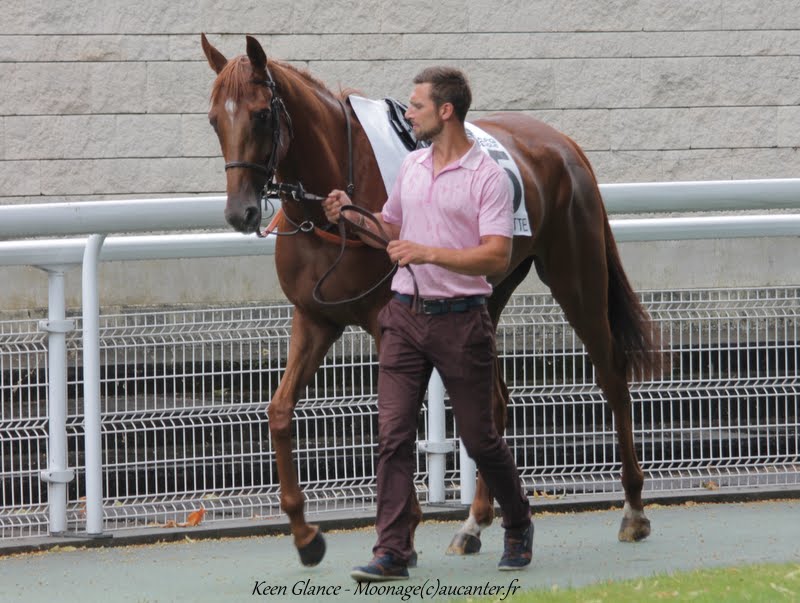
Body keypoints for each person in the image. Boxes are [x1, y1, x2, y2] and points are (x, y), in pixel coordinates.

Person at [323, 66, 532, 582]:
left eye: (417, 105)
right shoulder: (412, 166)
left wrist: (427, 253)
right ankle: (392, 550)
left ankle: (519, 522)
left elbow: (496, 257)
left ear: (445, 111)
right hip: (403, 318)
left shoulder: (487, 177)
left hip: (463, 324)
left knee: (480, 440)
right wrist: (350, 214)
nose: (408, 112)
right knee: (392, 436)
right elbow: (391, 228)